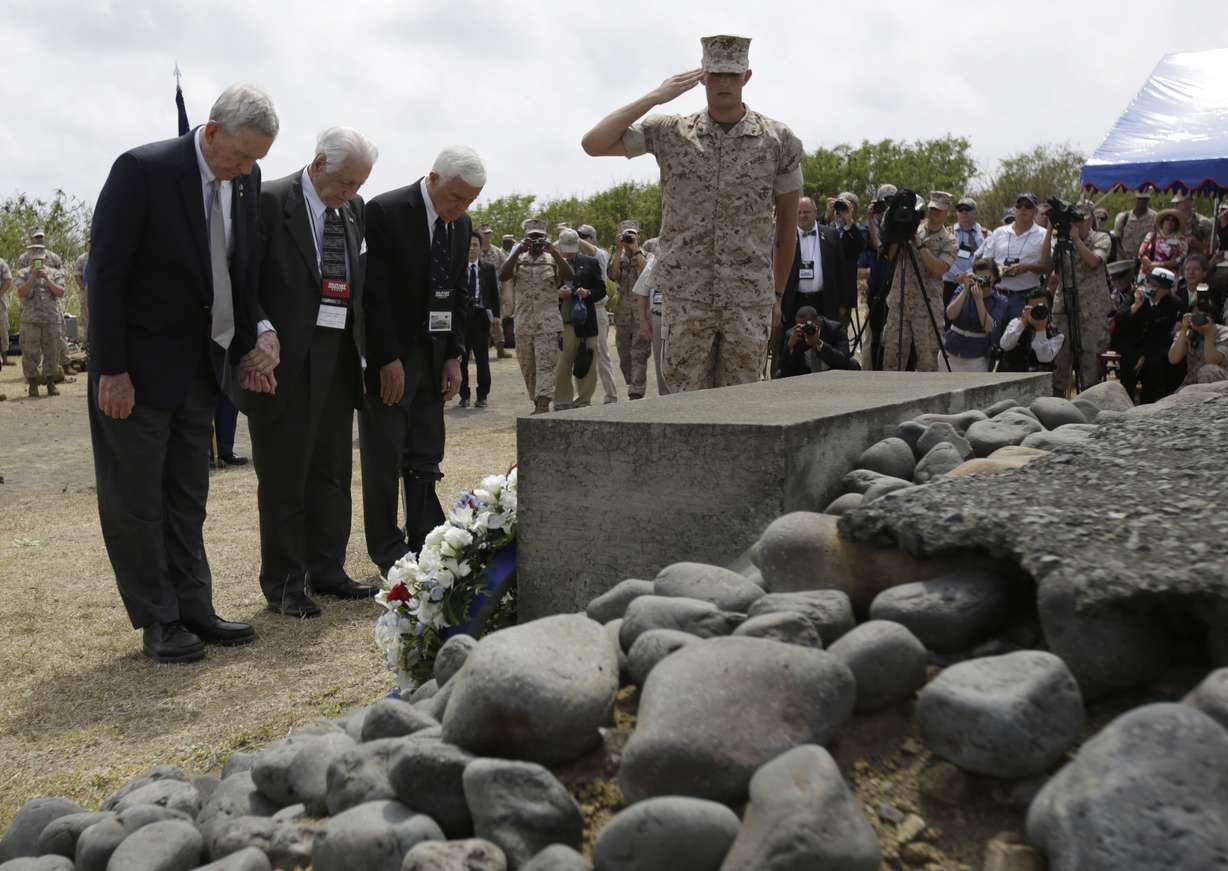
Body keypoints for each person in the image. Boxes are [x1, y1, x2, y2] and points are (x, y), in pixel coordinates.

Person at [87, 83, 278, 662]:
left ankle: (194, 605)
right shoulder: (141, 170)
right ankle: (159, 618)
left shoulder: (244, 181)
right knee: (136, 500)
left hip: (202, 368)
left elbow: (238, 274)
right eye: (240, 156)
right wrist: (112, 370)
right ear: (212, 131)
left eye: (256, 162)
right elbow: (108, 277)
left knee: (187, 497)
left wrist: (257, 335)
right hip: (137, 374)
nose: (245, 170)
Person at [581, 34, 804, 392]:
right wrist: (656, 96)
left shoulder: (778, 140)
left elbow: (787, 227)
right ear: (702, 77)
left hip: (747, 301)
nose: (724, 83)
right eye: (715, 74)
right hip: (687, 302)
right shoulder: (671, 133)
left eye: (733, 74)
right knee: (684, 409)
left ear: (747, 76)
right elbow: (594, 143)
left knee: (743, 406)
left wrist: (776, 294)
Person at [245, 126, 379, 618]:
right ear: (319, 163)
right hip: (284, 357)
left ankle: (328, 568)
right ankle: (284, 582)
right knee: (285, 473)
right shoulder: (267, 201)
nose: (352, 193)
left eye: (360, 184)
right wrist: (258, 334)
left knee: (331, 470)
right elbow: (244, 280)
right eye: (345, 182)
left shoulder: (354, 210)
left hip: (339, 354)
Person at [360, 145, 484, 575]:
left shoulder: (460, 224)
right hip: (392, 358)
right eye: (455, 197)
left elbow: (459, 294)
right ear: (433, 179)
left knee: (426, 452)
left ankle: (425, 535)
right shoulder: (386, 211)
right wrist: (386, 358)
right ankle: (387, 546)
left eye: (469, 200)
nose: (460, 207)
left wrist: (454, 355)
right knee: (384, 456)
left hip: (434, 357)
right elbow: (373, 294)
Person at [500, 218, 573, 413]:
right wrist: (517, 251)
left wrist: (555, 252)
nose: (536, 242)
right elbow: (503, 276)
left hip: (547, 324)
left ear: (546, 238)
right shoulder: (518, 260)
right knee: (528, 368)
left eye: (539, 237)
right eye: (532, 238)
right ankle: (537, 401)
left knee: (545, 366)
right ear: (525, 239)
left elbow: (569, 275)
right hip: (523, 324)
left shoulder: (552, 260)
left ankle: (543, 404)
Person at [1040, 203, 1113, 396]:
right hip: (1064, 306)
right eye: (1074, 220)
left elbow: (1093, 261)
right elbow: (1045, 266)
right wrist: (1049, 232)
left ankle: (1089, 404)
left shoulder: (1101, 237)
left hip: (1092, 309)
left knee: (1089, 361)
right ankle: (1057, 404)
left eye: (1080, 220)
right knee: (1061, 359)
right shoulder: (1061, 240)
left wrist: (1075, 240)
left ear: (1090, 219)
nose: (1076, 224)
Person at [882, 191, 958, 371]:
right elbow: (891, 257)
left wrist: (919, 244)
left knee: (927, 361)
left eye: (938, 210)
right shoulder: (912, 227)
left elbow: (938, 269)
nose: (934, 214)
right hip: (900, 301)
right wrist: (897, 234)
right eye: (931, 209)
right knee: (893, 357)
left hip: (927, 306)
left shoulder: (949, 240)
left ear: (947, 211)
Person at [777, 196, 845, 372]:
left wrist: (845, 304)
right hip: (794, 302)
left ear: (815, 212)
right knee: (793, 348)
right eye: (798, 212)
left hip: (823, 301)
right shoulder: (785, 237)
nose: (802, 215)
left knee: (824, 346)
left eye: (806, 212)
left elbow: (841, 272)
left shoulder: (831, 235)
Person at [973, 192, 1048, 324]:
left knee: (1020, 340)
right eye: (1019, 206)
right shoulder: (999, 232)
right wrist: (999, 270)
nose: (1023, 209)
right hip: (996, 294)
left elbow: (1047, 268)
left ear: (1035, 211)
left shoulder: (1043, 235)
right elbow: (985, 263)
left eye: (1027, 206)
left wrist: (1026, 267)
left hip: (1026, 297)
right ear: (1014, 210)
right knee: (993, 337)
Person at [555, 228, 606, 409]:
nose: (569, 253)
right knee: (562, 365)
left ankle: (584, 401)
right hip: (563, 324)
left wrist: (588, 293)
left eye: (572, 248)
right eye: (565, 248)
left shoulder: (591, 263)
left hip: (586, 323)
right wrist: (558, 294)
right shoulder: (553, 264)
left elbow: (601, 290)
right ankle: (562, 402)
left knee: (588, 361)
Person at [1116, 267, 1184, 404]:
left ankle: (1148, 403)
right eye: (1151, 284)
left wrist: (1144, 355)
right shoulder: (1135, 296)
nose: (1154, 289)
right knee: (1128, 363)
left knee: (1155, 365)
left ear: (1167, 290)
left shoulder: (1173, 304)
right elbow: (1120, 320)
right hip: (1131, 344)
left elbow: (1161, 333)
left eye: (1159, 287)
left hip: (1154, 347)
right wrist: (1136, 305)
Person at [608, 220, 652, 398]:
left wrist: (635, 250)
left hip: (642, 314)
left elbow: (648, 273)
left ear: (638, 237)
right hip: (623, 314)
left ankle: (636, 392)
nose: (629, 238)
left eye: (632, 235)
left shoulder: (646, 255)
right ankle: (632, 383)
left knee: (639, 354)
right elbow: (613, 275)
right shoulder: (617, 256)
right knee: (624, 355)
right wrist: (619, 250)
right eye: (626, 235)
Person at [15, 248, 66, 397]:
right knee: (30, 353)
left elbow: (61, 292)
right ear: (30, 259)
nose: (38, 262)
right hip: (30, 320)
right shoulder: (22, 273)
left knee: (52, 351)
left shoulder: (55, 273)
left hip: (51, 319)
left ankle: (51, 383)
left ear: (45, 260)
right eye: (35, 260)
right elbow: (20, 293)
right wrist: (32, 278)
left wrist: (47, 278)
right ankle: (32, 385)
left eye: (41, 260)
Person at [576, 224, 618, 404]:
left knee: (601, 354)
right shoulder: (577, 259)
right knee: (579, 353)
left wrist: (570, 236)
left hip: (598, 310)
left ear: (592, 239)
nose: (581, 240)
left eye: (584, 237)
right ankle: (583, 396)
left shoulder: (600, 254)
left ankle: (611, 395)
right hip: (579, 312)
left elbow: (594, 252)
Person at [942, 258, 1007, 372]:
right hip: (950, 350)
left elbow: (989, 327)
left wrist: (979, 301)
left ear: (995, 277)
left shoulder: (1000, 300)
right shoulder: (963, 289)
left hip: (976, 357)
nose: (983, 281)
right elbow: (950, 315)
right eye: (979, 277)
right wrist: (965, 290)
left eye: (987, 277)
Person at [459, 231, 500, 408]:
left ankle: (482, 395)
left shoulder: (488, 268)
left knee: (482, 358)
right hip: (462, 318)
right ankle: (464, 395)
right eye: (468, 245)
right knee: (462, 357)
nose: (472, 249)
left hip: (481, 316)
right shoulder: (458, 268)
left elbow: (494, 294)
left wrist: (497, 316)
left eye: (475, 245)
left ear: (480, 247)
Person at [861, 183, 897, 369]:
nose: (887, 206)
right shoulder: (869, 226)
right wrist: (870, 218)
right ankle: (874, 370)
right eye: (884, 202)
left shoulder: (898, 223)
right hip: (877, 288)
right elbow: (877, 246)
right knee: (875, 335)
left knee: (892, 335)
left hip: (895, 287)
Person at [775, 305, 860, 377]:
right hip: (805, 376)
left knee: (853, 364)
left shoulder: (835, 329)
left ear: (817, 322)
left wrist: (819, 344)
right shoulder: (793, 334)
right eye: (801, 327)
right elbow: (783, 368)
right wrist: (790, 346)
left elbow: (843, 360)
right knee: (779, 374)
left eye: (807, 327)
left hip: (832, 372)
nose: (805, 331)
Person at [1168, 288, 1228, 386]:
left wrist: (1209, 333)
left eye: (1204, 315)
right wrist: (1183, 330)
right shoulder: (1187, 333)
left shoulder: (1224, 333)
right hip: (1192, 382)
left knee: (1208, 370)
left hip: (1219, 381)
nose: (1199, 318)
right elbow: (1173, 359)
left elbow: (1212, 360)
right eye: (1196, 315)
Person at [632, 237, 669, 395]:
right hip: (659, 317)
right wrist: (644, 322)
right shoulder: (654, 261)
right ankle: (665, 398)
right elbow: (642, 293)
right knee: (661, 363)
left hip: (683, 317)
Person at [998, 288, 1065, 373]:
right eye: (1033, 308)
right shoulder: (1016, 323)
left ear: (1050, 308)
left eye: (1042, 307)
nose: (1038, 311)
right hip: (1011, 376)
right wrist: (1022, 323)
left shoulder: (1056, 335)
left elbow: (1044, 358)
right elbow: (1005, 345)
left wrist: (1040, 330)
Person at [826, 191, 864, 322]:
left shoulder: (855, 231)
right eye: (839, 205)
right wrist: (827, 216)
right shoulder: (827, 228)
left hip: (844, 295)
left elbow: (861, 246)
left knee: (840, 335)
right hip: (824, 292)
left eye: (845, 207)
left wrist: (849, 222)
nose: (840, 211)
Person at [943, 197, 988, 305]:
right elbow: (943, 257)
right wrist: (958, 275)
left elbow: (986, 259)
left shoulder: (985, 234)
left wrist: (968, 274)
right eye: (960, 210)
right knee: (947, 318)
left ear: (975, 213)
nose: (963, 213)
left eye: (967, 209)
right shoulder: (947, 232)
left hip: (976, 284)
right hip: (951, 283)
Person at [477, 225, 508, 358]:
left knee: (496, 321)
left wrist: (505, 291)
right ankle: (472, 351)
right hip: (478, 293)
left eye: (489, 234)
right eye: (484, 234)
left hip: (495, 293)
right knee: (476, 321)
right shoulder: (474, 250)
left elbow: (506, 271)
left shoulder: (497, 252)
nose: (487, 236)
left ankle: (500, 349)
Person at [1113, 187, 1155, 264]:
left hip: (1145, 258)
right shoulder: (1124, 217)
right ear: (1136, 200)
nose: (1142, 202)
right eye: (1140, 199)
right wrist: (1123, 254)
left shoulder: (1154, 217)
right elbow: (1117, 238)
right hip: (1125, 257)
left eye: (1145, 200)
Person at [1138, 209, 1186, 275]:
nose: (1170, 222)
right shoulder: (1151, 235)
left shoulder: (1181, 240)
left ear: (1176, 224)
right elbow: (1141, 253)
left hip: (1169, 275)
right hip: (1148, 273)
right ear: (1162, 221)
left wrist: (1160, 265)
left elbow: (1180, 259)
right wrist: (1150, 264)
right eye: (1167, 219)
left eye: (1173, 220)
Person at [1171, 189, 1214, 256]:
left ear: (1189, 202)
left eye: (1178, 202)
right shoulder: (1172, 222)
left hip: (1198, 262)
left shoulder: (1204, 223)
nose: (1175, 206)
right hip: (1174, 261)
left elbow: (1213, 249)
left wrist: (1196, 244)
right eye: (1175, 203)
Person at [498, 233, 517, 350]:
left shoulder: (515, 252)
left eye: (511, 241)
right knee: (505, 312)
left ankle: (511, 339)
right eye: (508, 241)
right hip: (504, 284)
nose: (510, 243)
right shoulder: (499, 252)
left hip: (515, 283)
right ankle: (503, 341)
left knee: (514, 310)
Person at [73, 246, 89, 345]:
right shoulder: (82, 258)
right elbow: (77, 276)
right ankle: (89, 345)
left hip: (102, 295)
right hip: (86, 294)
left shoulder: (104, 255)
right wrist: (85, 289)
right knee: (87, 321)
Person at [0, 256, 11, 366]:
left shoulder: (1, 262)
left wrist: (0, 293)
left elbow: (8, 280)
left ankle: (5, 359)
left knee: (3, 330)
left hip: (0, 303)